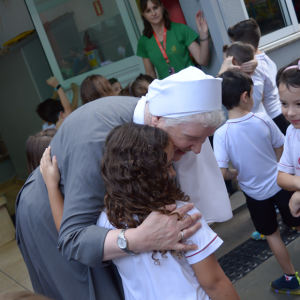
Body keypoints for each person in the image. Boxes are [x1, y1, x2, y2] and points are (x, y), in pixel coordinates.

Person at [15, 66, 232, 300]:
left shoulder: (146, 150)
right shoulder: (98, 143)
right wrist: (137, 240)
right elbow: (72, 239)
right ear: (157, 120)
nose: (198, 150)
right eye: (191, 138)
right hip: (52, 216)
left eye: (204, 139)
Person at [40, 123, 240, 300]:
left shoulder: (108, 219)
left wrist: (52, 186)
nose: (172, 173)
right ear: (147, 172)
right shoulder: (181, 215)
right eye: (168, 165)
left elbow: (65, 230)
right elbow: (214, 282)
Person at [214, 70, 300, 295]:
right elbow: (281, 148)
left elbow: (222, 172)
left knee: (272, 235)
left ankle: (291, 278)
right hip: (281, 185)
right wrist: (283, 169)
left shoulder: (222, 134)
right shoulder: (262, 119)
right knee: (298, 220)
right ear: (245, 96)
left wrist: (235, 174)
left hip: (254, 195)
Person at [228, 18, 289, 134]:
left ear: (244, 46)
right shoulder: (264, 58)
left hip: (273, 118)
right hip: (279, 112)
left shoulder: (253, 68)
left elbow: (258, 98)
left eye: (233, 44)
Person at [137, 0, 210, 79]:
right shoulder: (143, 42)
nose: (153, 13)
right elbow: (150, 74)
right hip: (168, 90)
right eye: (148, 11)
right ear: (143, 15)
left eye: (155, 8)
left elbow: (203, 60)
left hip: (191, 83)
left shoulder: (181, 29)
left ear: (162, 7)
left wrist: (203, 35)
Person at [277, 59, 300, 217]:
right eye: (284, 103)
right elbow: (281, 177)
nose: (290, 112)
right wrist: (297, 183)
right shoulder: (291, 133)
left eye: (299, 104)